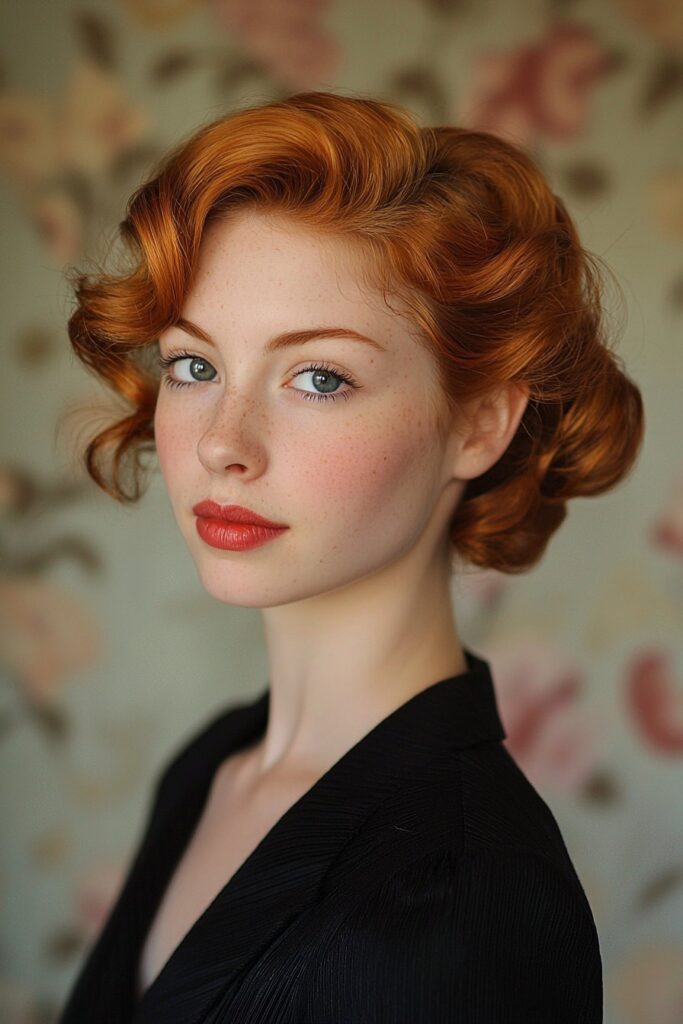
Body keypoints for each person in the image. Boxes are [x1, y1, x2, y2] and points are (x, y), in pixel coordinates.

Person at [57, 89, 643, 1023]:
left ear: (480, 422)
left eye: (318, 377)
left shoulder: (457, 902)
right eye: (194, 366)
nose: (222, 443)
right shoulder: (213, 764)